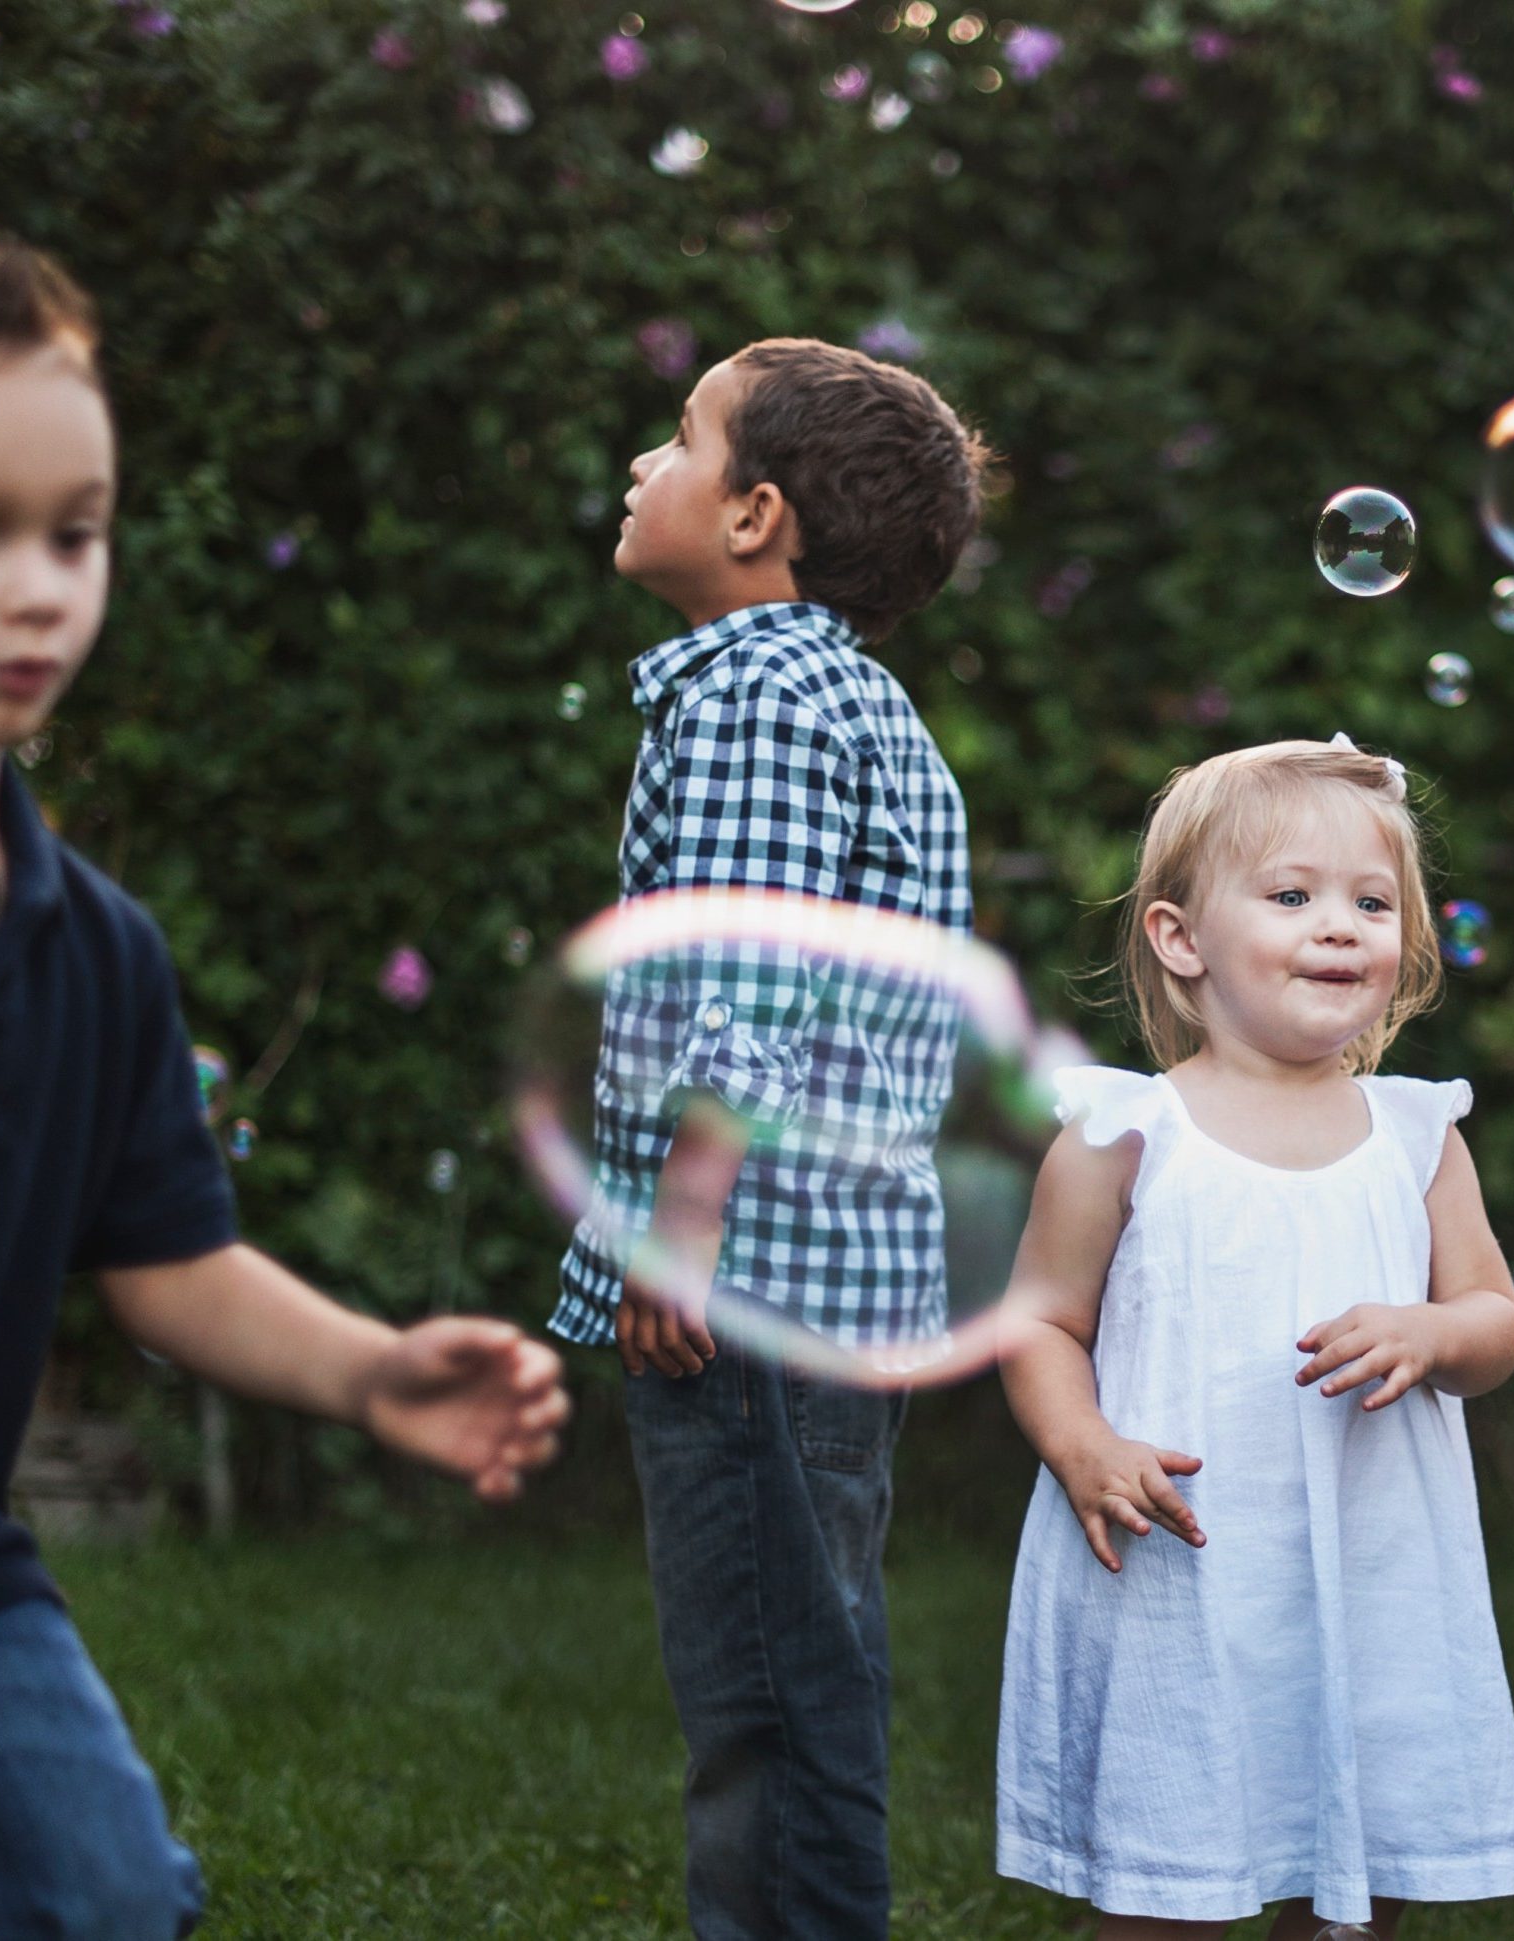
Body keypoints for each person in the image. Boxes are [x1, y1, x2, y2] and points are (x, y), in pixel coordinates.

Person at [0, 221, 569, 1937]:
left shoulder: (93, 946)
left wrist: (371, 1371)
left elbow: (169, 1259)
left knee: (105, 1904)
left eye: (76, 532)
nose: (38, 585)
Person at [555, 338, 990, 1939]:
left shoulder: (752, 694)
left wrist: (682, 1221)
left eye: (674, 441)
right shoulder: (855, 702)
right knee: (809, 1668)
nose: (636, 467)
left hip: (751, 1285)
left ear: (754, 516)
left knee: (770, 1703)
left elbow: (740, 979)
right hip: (830, 1286)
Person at [994, 736, 1514, 1938]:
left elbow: (1493, 1321)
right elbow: (1039, 1318)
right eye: (1291, 897)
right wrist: (1082, 1444)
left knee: (1360, 1868)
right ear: (1180, 939)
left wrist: (1431, 1331)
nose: (1338, 926)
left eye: (1370, 901)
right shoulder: (1126, 1132)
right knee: (1168, 1872)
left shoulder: (1413, 1135)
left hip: (1370, 1561)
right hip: (1183, 1568)